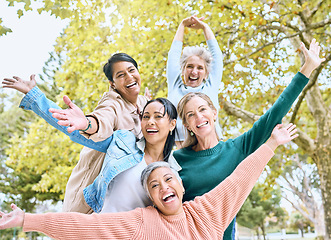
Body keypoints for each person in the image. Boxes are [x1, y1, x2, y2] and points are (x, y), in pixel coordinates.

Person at [0, 124, 298, 239]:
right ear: (151, 199)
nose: (163, 187)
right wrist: (27, 219)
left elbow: (240, 179)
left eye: (168, 179)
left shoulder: (207, 212)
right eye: (154, 186)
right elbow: (85, 226)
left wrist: (271, 143)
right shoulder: (143, 222)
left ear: (181, 186)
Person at [174, 39, 325, 240]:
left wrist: (307, 68)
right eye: (191, 115)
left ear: (214, 113)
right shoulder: (176, 159)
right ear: (186, 125)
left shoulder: (237, 148)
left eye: (202, 110)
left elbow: (275, 112)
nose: (199, 117)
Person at [2, 52, 151, 213]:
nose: (129, 77)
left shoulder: (143, 103)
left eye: (131, 70)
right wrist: (86, 124)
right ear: (112, 84)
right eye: (121, 75)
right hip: (93, 200)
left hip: (127, 199)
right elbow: (101, 121)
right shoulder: (112, 103)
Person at [167, 15, 223, 147]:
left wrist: (204, 27)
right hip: (181, 150)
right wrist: (182, 25)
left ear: (206, 73)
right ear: (183, 69)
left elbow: (217, 56)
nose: (194, 72)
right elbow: (173, 55)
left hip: (212, 148)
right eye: (190, 66)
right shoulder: (175, 86)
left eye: (200, 68)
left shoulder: (210, 87)